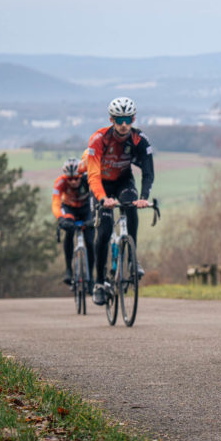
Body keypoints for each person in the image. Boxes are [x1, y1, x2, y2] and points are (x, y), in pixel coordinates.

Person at [86, 97, 154, 305]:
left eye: (128, 119)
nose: (124, 124)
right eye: (119, 119)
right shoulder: (98, 139)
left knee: (131, 207)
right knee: (104, 232)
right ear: (111, 120)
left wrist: (143, 198)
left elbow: (148, 172)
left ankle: (133, 260)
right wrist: (102, 198)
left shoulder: (139, 140)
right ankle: (99, 283)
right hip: (102, 186)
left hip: (124, 181)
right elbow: (93, 176)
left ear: (133, 119)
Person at [52, 157, 95, 287]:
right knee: (69, 231)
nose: (73, 181)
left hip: (86, 208)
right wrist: (60, 218)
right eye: (70, 179)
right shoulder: (60, 182)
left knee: (89, 242)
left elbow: (96, 197)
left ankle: (91, 276)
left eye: (76, 178)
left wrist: (95, 218)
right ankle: (68, 269)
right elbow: (55, 203)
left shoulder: (87, 180)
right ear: (65, 176)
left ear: (81, 175)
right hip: (69, 208)